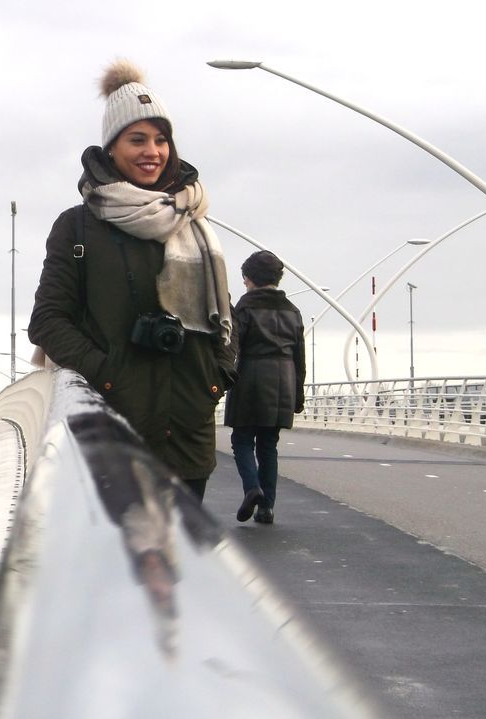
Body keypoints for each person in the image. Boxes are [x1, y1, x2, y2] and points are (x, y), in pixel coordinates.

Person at [28, 59, 235, 499]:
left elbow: (226, 321)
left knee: (175, 562)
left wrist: (215, 381)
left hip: (187, 429)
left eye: (161, 140)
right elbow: (47, 322)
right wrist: (108, 376)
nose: (152, 152)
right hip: (111, 425)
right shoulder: (78, 227)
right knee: (120, 563)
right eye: (137, 139)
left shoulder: (192, 223)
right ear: (111, 149)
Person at [225, 251, 307, 524]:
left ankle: (252, 488)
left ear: (249, 278)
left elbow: (234, 345)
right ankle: (267, 508)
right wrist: (298, 394)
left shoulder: (245, 307)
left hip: (252, 376)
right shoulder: (293, 311)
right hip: (285, 378)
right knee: (269, 444)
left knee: (242, 439)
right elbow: (300, 358)